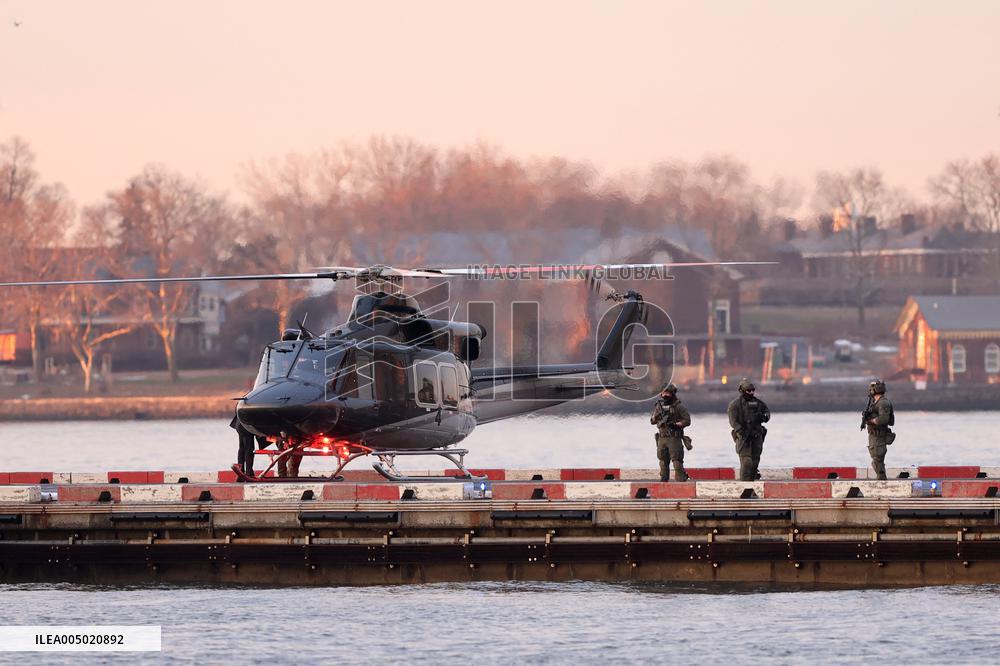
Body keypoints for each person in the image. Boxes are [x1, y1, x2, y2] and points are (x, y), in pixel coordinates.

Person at [728, 378, 770, 482]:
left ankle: (751, 487)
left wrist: (763, 417)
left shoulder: (759, 404)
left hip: (757, 436)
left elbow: (767, 413)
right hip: (744, 437)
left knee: (755, 462)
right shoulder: (735, 405)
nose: (751, 393)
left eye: (752, 390)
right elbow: (733, 421)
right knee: (747, 462)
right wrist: (740, 430)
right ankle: (745, 486)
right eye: (748, 391)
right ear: (742, 391)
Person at [650, 383, 692, 481]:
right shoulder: (659, 407)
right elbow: (652, 421)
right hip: (662, 438)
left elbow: (687, 420)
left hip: (674, 438)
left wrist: (677, 424)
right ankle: (664, 481)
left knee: (677, 462)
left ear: (672, 394)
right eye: (663, 393)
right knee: (663, 462)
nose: (665, 395)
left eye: (667, 393)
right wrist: (656, 417)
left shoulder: (679, 407)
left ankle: (681, 480)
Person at [863, 378, 895, 480]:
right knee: (875, 458)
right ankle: (881, 478)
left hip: (879, 436)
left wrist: (871, 421)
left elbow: (883, 419)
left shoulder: (883, 403)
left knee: (878, 459)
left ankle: (881, 479)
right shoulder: (875, 402)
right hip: (873, 435)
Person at [229, 411, 257, 479]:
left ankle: (241, 473)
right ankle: (249, 473)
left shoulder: (242, 401)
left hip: (239, 425)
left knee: (242, 449)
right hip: (246, 427)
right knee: (249, 449)